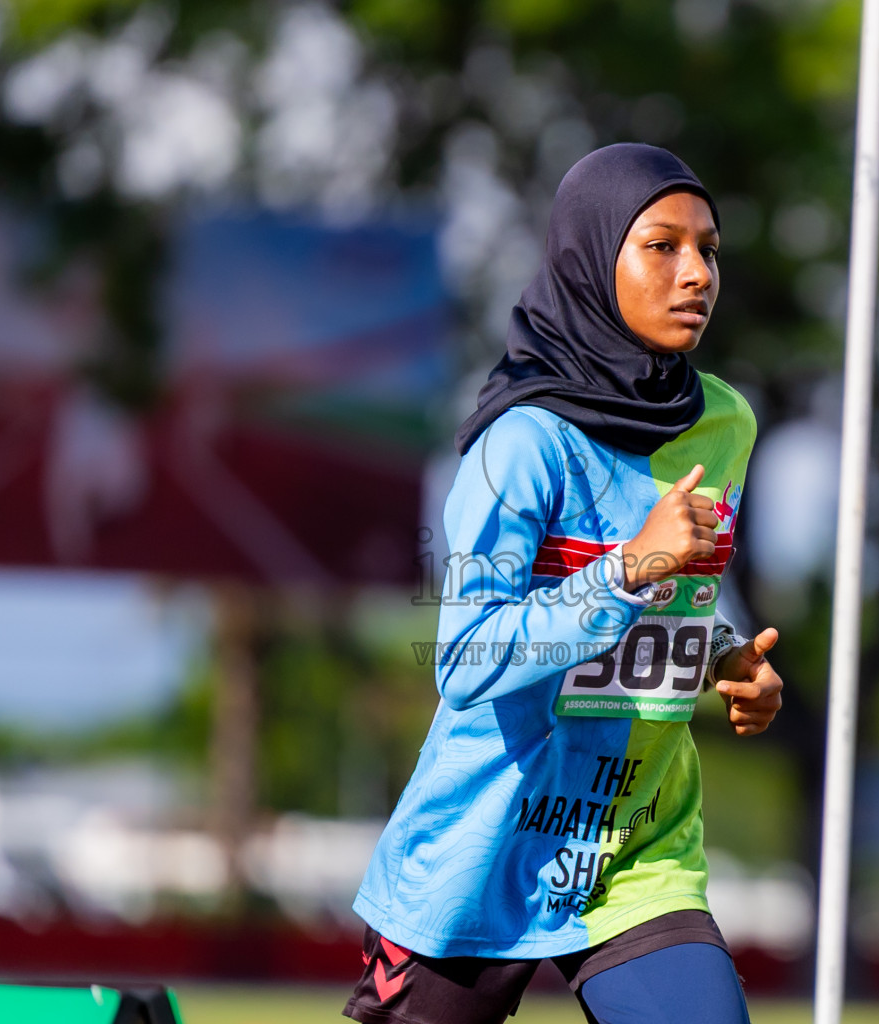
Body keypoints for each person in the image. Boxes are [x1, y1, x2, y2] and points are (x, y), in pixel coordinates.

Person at [346, 143, 784, 1024]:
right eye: (662, 246)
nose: (696, 273)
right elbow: (465, 660)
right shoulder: (523, 444)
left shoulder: (727, 424)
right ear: (590, 259)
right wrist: (625, 568)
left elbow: (687, 592)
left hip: (636, 850)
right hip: (480, 851)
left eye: (709, 249)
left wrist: (728, 656)